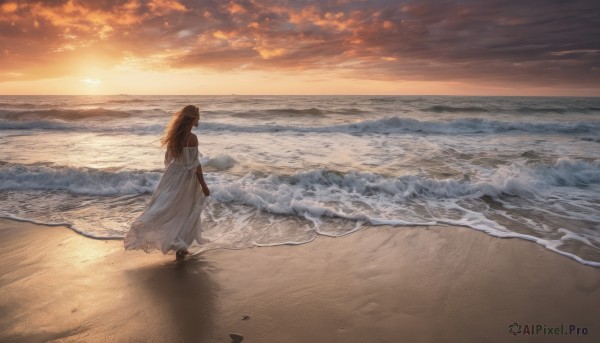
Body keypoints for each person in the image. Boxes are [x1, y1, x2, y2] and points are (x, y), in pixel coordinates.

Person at [124, 105, 210, 260]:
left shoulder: (176, 137)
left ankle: (177, 244)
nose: (199, 119)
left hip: (172, 176)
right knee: (184, 211)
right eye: (198, 116)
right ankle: (180, 246)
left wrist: (173, 175)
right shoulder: (192, 138)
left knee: (169, 209)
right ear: (192, 118)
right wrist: (204, 185)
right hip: (186, 179)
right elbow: (194, 165)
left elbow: (168, 160)